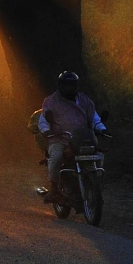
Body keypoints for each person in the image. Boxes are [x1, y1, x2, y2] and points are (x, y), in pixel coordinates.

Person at [38, 70, 108, 204]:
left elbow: (94, 118)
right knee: (57, 156)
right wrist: (46, 131)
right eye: (67, 85)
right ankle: (54, 187)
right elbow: (44, 120)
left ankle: (94, 184)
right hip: (60, 138)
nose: (70, 88)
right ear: (61, 86)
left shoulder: (85, 100)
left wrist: (102, 129)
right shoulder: (52, 101)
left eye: (72, 85)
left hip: (82, 138)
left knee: (98, 154)